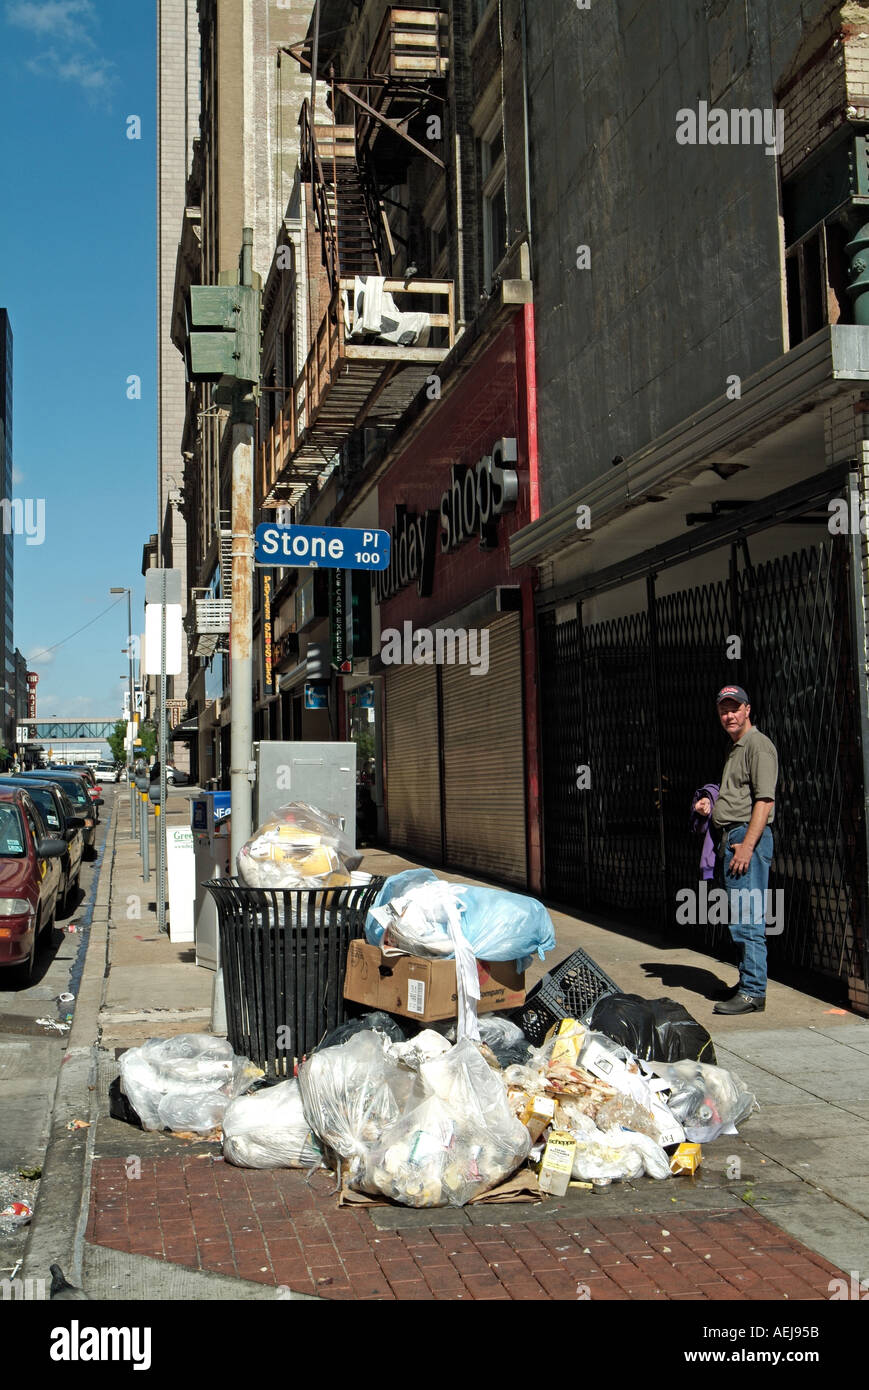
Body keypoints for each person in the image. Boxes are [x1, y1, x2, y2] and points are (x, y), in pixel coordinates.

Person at [693, 685, 778, 1015]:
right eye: (724, 710)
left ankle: (754, 992)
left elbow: (764, 801)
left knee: (748, 917)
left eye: (735, 708)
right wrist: (709, 806)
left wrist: (747, 847)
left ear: (748, 710)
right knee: (739, 916)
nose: (729, 715)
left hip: (746, 839)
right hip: (734, 837)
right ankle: (746, 983)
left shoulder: (758, 746)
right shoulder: (737, 747)